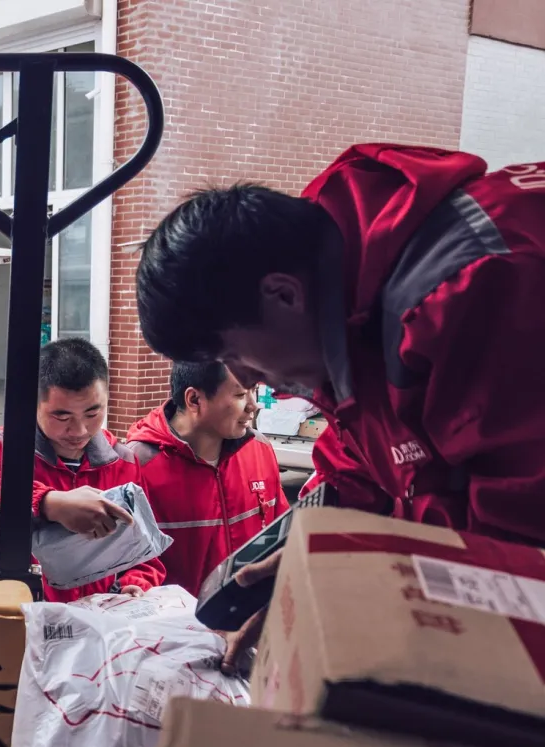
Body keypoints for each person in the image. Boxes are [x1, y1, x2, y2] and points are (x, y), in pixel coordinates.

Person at [136, 143, 545, 666]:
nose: (242, 379)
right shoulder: (342, 295)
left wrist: (348, 586)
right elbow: (368, 464)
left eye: (231, 352)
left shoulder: (473, 292)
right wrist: (311, 560)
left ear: (283, 294)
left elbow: (516, 557)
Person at [0, 338, 165, 601]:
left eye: (93, 414)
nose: (80, 430)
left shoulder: (123, 463)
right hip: (20, 623)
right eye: (62, 417)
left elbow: (143, 551)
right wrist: (49, 503)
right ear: (32, 404)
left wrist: (135, 584)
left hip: (98, 623)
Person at [125, 362, 289, 593]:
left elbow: (280, 534)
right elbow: (130, 564)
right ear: (194, 400)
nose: (253, 405)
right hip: (178, 624)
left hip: (252, 618)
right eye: (241, 394)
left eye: (254, 391)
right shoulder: (137, 465)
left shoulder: (259, 449)